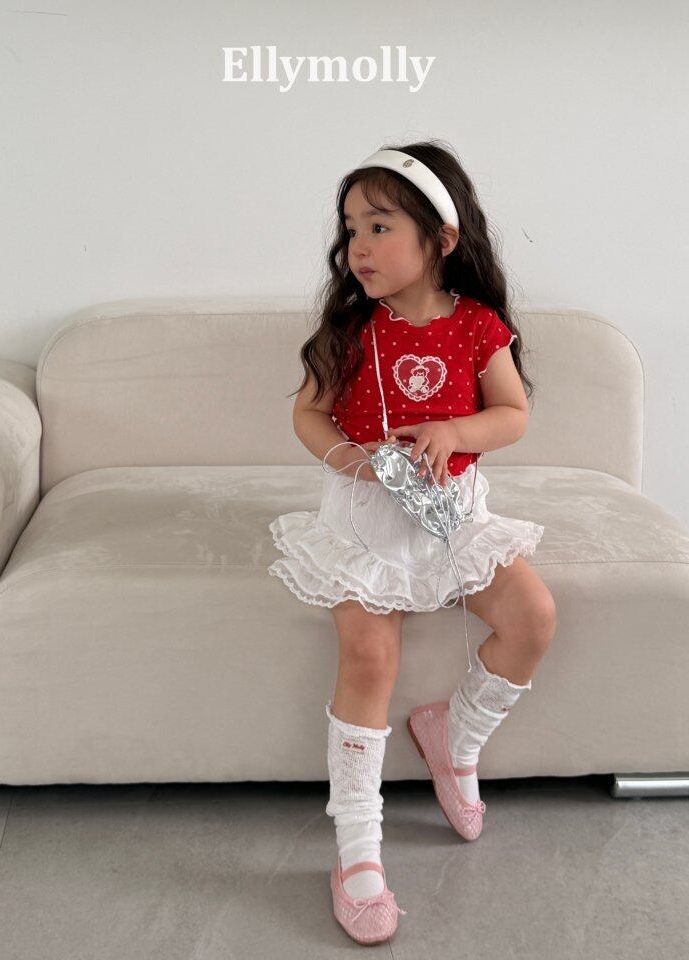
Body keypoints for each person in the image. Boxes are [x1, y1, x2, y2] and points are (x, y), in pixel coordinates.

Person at [267, 141, 557, 945]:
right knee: (369, 655)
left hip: (452, 513)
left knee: (532, 617)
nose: (357, 246)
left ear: (442, 239)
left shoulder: (477, 326)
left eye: (380, 226)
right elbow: (308, 414)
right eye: (350, 228)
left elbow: (512, 414)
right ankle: (358, 850)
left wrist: (457, 431)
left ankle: (454, 740)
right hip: (366, 519)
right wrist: (347, 459)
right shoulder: (352, 328)